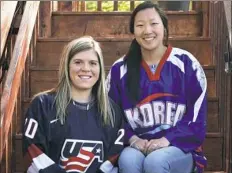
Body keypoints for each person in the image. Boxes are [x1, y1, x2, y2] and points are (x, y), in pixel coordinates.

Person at [106, 1, 207, 173]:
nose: (147, 30)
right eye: (140, 25)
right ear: (133, 31)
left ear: (164, 27)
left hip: (178, 147)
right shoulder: (119, 70)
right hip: (136, 146)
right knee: (128, 161)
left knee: (155, 162)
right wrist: (132, 138)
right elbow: (110, 116)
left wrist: (167, 139)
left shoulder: (186, 64)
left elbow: (196, 119)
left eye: (154, 23)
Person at [22, 36, 124, 173]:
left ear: (100, 69)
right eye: (78, 62)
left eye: (93, 63)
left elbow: (113, 159)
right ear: (67, 65)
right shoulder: (42, 105)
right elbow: (32, 152)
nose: (86, 69)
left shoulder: (113, 112)